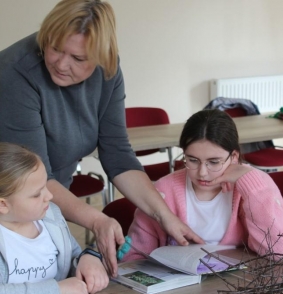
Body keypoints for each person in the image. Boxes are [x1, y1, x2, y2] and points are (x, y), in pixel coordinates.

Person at [0, 0, 202, 279]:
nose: (61, 63)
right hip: (12, 207)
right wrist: (97, 219)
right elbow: (35, 177)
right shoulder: (14, 73)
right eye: (55, 47)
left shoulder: (107, 70)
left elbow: (118, 153)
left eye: (78, 58)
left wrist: (165, 216)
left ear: (100, 57)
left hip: (48, 200)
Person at [122, 109, 283, 262]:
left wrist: (249, 179)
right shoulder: (163, 191)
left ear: (234, 157)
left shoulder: (253, 185)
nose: (202, 173)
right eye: (192, 160)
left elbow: (281, 249)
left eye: (214, 162)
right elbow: (133, 260)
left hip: (240, 282)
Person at [0, 142, 109, 294]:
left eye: (45, 186)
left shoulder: (51, 216)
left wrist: (87, 258)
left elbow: (72, 255)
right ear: (3, 204)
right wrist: (57, 291)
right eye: (37, 194)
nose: (49, 196)